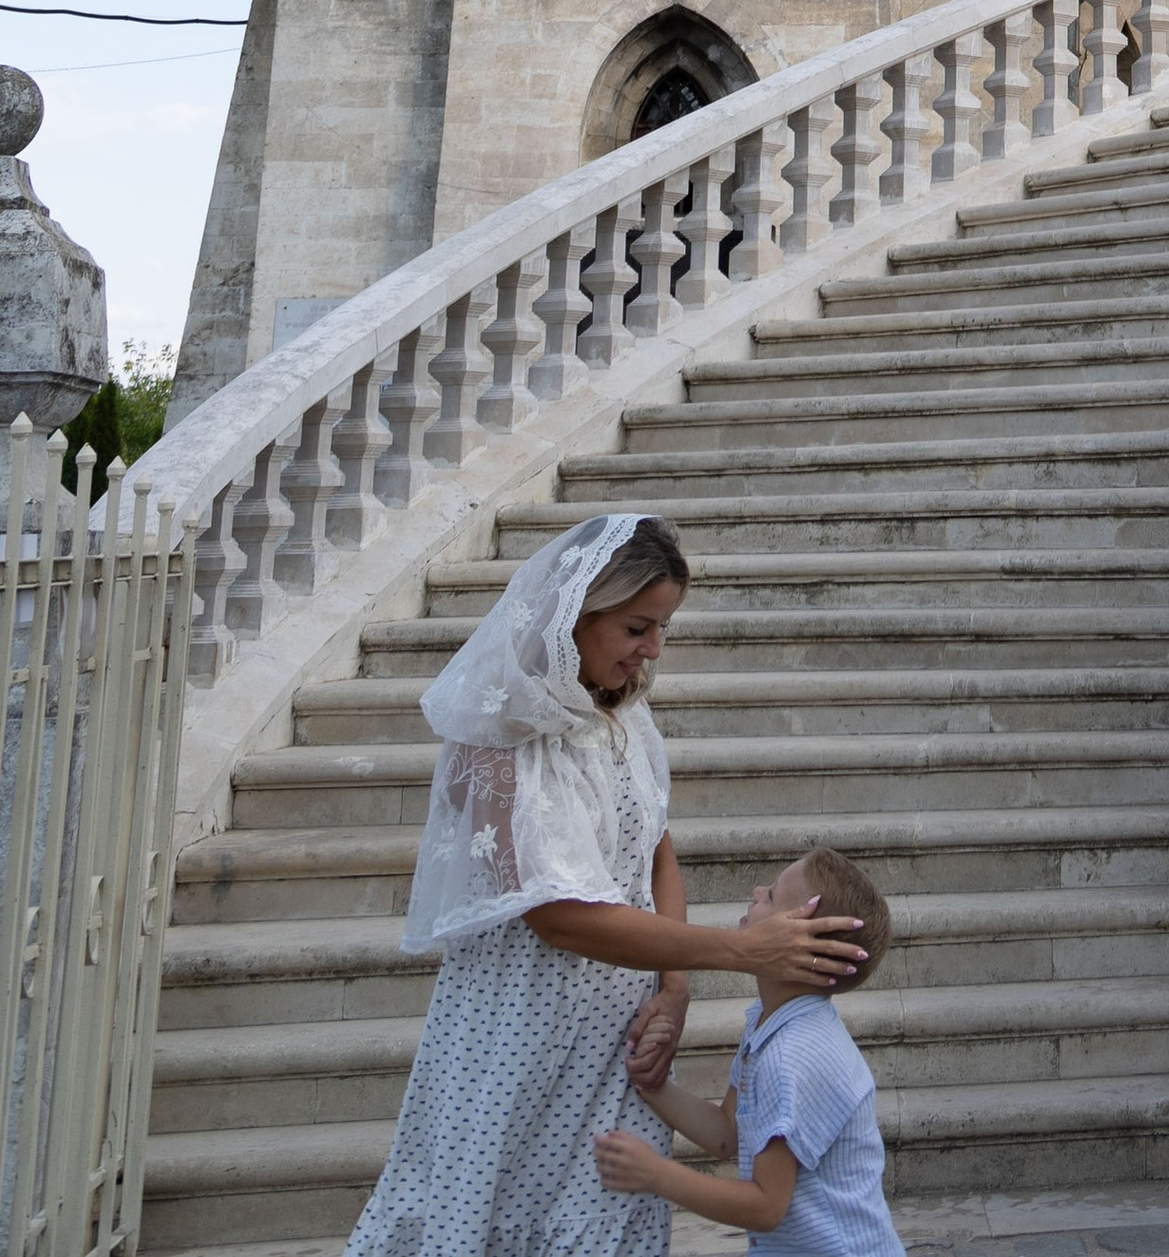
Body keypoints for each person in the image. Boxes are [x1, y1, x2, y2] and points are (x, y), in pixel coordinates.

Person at [343, 514, 870, 1257]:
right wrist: (743, 952)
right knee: (490, 1214)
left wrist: (675, 991)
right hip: (518, 1032)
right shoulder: (497, 733)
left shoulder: (625, 713)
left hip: (623, 1033)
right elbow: (558, 918)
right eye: (636, 628)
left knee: (600, 1218)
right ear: (577, 613)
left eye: (661, 629)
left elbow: (657, 854)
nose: (652, 650)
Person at [592, 845, 900, 1255]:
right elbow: (727, 1134)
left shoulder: (794, 1056)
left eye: (771, 895)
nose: (756, 891)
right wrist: (653, 1085)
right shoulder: (769, 1023)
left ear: (803, 945)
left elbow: (765, 1205)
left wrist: (656, 1174)